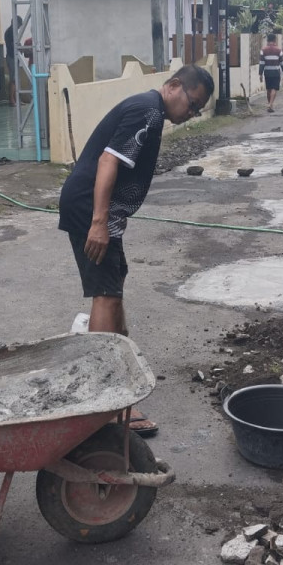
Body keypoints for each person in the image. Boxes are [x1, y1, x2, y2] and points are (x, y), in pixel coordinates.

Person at [58, 64, 215, 436]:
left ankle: (122, 373)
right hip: (91, 209)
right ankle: (107, 402)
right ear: (174, 86)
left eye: (197, 111)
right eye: (192, 104)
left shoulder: (152, 113)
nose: (191, 114)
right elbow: (108, 160)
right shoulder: (148, 110)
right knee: (105, 294)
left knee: (113, 286)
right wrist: (98, 222)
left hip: (103, 213)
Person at [260, 33, 283, 113]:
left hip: (267, 72)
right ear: (275, 40)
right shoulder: (279, 50)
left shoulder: (263, 50)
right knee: (274, 89)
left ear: (268, 40)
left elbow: (262, 63)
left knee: (268, 89)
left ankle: (270, 106)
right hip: (276, 72)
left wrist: (260, 74)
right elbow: (282, 63)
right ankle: (270, 104)